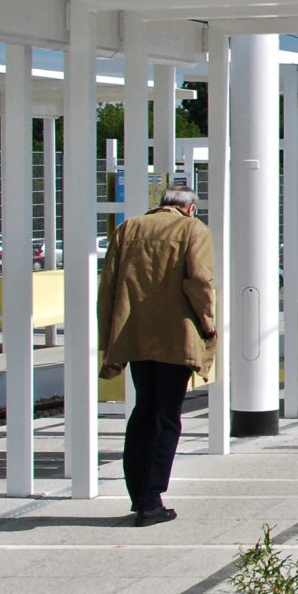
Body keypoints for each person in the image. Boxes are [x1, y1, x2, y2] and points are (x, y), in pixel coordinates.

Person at [98, 185, 216, 527]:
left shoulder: (129, 228)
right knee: (166, 415)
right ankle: (151, 500)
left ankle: (139, 494)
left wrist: (110, 335)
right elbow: (200, 282)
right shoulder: (193, 230)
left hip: (134, 335)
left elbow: (108, 285)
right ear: (190, 208)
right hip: (176, 337)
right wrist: (208, 324)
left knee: (143, 411)